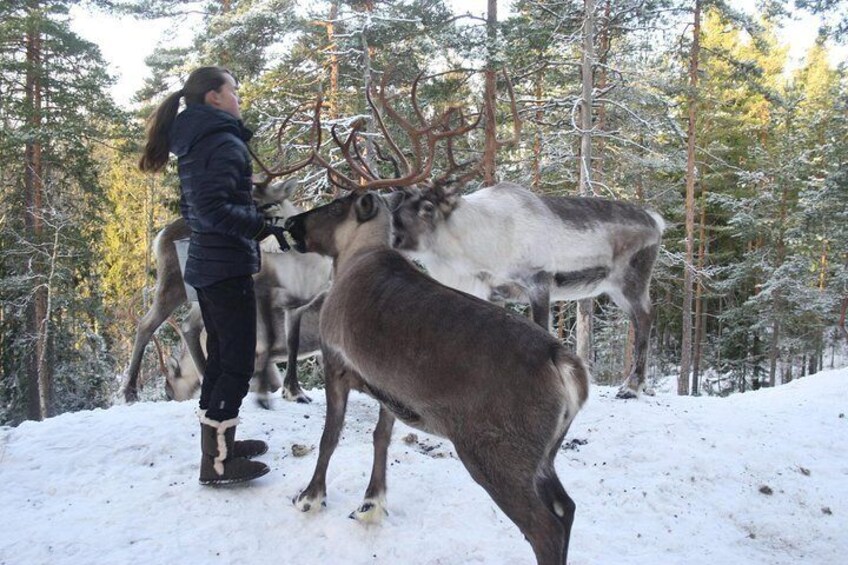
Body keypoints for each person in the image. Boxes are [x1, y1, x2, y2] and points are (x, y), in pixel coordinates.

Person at [139, 66, 289, 485]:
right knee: (236, 362)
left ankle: (220, 447)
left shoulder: (197, 141)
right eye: (234, 90)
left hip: (211, 262)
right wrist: (261, 229)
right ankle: (218, 462)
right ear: (214, 98)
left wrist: (255, 219)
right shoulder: (219, 140)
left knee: (223, 358)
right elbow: (211, 210)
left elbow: (200, 209)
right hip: (225, 266)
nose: (239, 97)